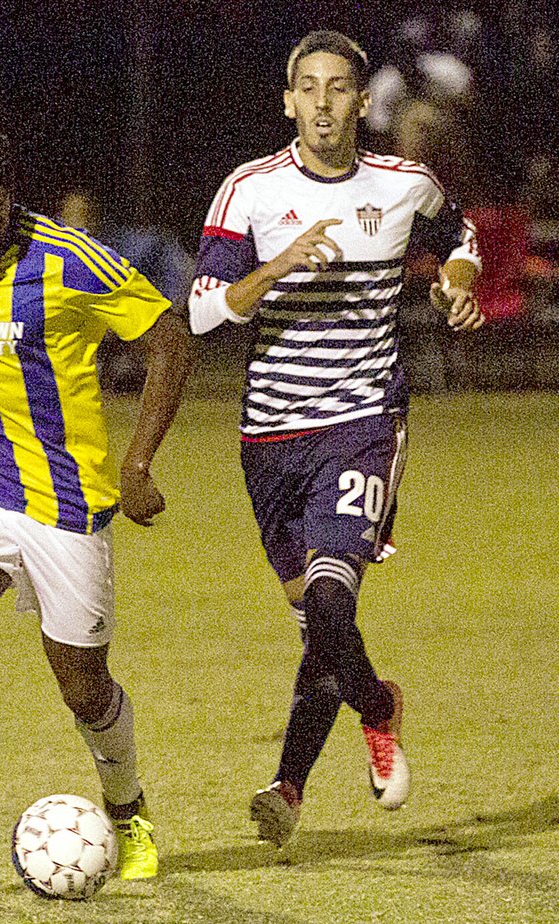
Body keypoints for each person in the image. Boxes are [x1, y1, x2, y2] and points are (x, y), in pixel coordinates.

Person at [188, 31, 483, 850]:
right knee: (319, 623)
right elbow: (205, 311)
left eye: (339, 88)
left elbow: (459, 240)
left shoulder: (404, 186)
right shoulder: (248, 191)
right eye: (308, 89)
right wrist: (275, 265)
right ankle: (373, 704)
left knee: (329, 599)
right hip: (269, 440)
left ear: (361, 101)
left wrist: (457, 284)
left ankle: (291, 783)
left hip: (361, 426)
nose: (323, 103)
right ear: (288, 101)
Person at [0, 125, 192, 882]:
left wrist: (139, 462)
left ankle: (127, 809)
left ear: (11, 200)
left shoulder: (71, 261)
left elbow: (170, 339)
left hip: (64, 504)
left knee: (83, 688)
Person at [57, 190, 194, 392]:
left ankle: (129, 368)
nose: (78, 221)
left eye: (85, 214)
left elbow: (180, 271)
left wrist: (164, 309)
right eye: (71, 214)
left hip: (117, 322)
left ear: (96, 217)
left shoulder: (122, 246)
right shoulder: (45, 251)